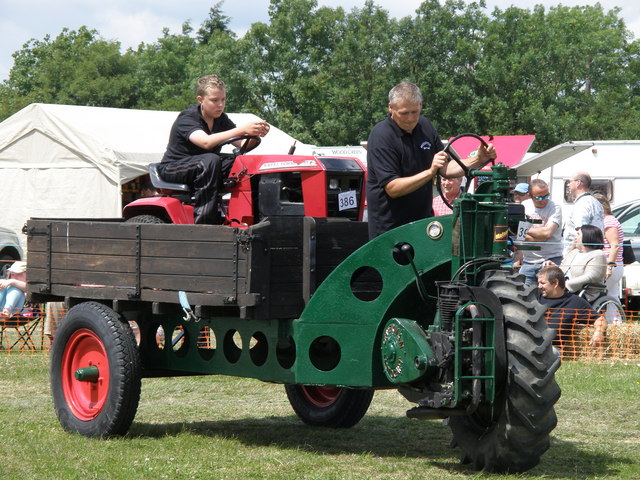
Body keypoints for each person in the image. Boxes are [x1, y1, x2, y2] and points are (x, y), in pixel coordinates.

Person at [366, 82, 496, 238]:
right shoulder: (382, 135)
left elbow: (445, 169)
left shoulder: (425, 126)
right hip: (389, 229)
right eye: (404, 113)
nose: (410, 118)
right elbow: (393, 189)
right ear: (390, 108)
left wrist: (478, 159)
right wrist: (430, 172)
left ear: (420, 105)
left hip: (423, 225)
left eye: (415, 112)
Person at [158, 74, 270, 224]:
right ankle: (205, 222)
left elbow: (242, 144)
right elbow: (205, 142)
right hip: (172, 168)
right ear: (200, 100)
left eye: (223, 100)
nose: (220, 105)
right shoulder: (187, 118)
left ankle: (254, 217)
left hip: (205, 166)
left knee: (244, 164)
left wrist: (255, 134)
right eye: (214, 100)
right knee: (210, 160)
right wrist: (242, 129)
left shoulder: (220, 119)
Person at [537, 266, 607, 357]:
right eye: (538, 283)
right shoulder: (534, 296)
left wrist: (599, 332)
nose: (539, 286)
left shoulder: (575, 302)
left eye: (542, 283)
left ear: (555, 283)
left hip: (551, 349)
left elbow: (600, 319)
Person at [516, 179, 563, 285]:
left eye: (546, 196)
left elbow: (547, 233)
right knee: (523, 295)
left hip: (551, 259)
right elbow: (520, 235)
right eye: (539, 197)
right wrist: (539, 235)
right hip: (528, 261)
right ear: (530, 195)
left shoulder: (554, 207)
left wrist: (524, 228)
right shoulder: (524, 206)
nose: (544, 200)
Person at [549, 224, 607, 297]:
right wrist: (553, 267)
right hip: (563, 287)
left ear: (587, 236)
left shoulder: (598, 254)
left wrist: (566, 284)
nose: (575, 238)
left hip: (582, 292)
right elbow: (562, 270)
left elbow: (591, 276)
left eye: (578, 234)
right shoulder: (574, 252)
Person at [593, 193, 625, 323]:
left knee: (605, 297)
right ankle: (616, 326)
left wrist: (609, 267)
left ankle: (613, 325)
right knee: (611, 298)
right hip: (615, 264)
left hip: (610, 264)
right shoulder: (610, 220)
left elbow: (615, 246)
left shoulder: (608, 221)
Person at [563, 172, 604, 254]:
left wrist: (569, 256)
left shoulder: (582, 204)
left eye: (570, 182)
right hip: (593, 251)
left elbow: (581, 233)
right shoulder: (595, 202)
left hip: (579, 254)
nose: (568, 185)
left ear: (578, 183)